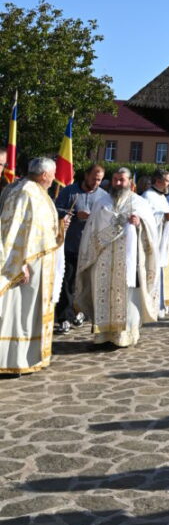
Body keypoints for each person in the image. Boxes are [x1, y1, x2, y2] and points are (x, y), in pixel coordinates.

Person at [75, 167, 158, 348]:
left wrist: (139, 224)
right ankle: (102, 336)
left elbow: (151, 231)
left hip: (128, 261)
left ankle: (123, 336)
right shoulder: (101, 202)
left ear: (130, 183)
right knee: (102, 295)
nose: (118, 183)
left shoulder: (139, 203)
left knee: (126, 297)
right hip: (102, 259)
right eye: (115, 180)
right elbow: (91, 230)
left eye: (122, 180)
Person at [0, 157, 69, 374]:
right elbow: (11, 228)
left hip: (38, 266)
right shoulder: (23, 192)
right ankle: (12, 360)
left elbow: (39, 228)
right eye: (53, 174)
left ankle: (26, 357)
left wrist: (59, 225)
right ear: (44, 174)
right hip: (25, 266)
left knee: (28, 313)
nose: (55, 178)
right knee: (18, 311)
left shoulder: (35, 191)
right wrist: (19, 263)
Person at [54, 163, 109, 333]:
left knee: (86, 283)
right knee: (67, 283)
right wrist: (72, 214)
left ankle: (81, 313)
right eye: (94, 178)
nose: (96, 182)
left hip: (92, 248)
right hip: (70, 245)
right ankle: (64, 317)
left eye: (99, 180)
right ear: (86, 175)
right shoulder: (69, 191)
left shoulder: (103, 196)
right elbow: (54, 209)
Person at [142, 169, 169, 316]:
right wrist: (163, 217)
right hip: (153, 244)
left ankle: (160, 306)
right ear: (159, 181)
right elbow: (146, 220)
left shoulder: (162, 197)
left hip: (163, 244)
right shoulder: (147, 196)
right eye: (168, 181)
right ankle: (151, 306)